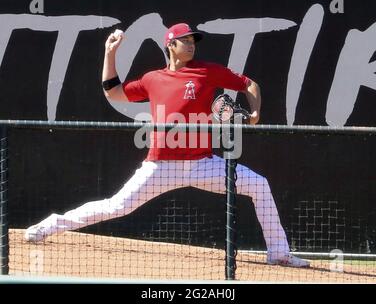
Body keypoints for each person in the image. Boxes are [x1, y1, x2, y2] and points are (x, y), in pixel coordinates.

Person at [24, 23, 309, 268]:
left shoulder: (207, 72)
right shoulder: (153, 78)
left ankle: (279, 254)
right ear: (170, 45)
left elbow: (250, 84)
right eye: (185, 40)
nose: (191, 44)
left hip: (203, 164)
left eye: (192, 40)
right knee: (116, 206)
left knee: (259, 185)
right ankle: (48, 226)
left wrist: (255, 112)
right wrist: (110, 54)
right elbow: (115, 92)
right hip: (160, 166)